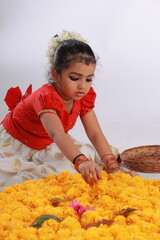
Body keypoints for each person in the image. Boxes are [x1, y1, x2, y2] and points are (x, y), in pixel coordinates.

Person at [0, 30, 137, 191]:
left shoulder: (82, 95)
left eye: (88, 79)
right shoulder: (45, 97)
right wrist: (81, 161)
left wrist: (112, 165)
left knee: (89, 155)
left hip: (48, 141)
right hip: (21, 142)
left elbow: (94, 133)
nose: (82, 86)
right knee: (53, 174)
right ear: (55, 74)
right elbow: (57, 134)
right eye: (74, 78)